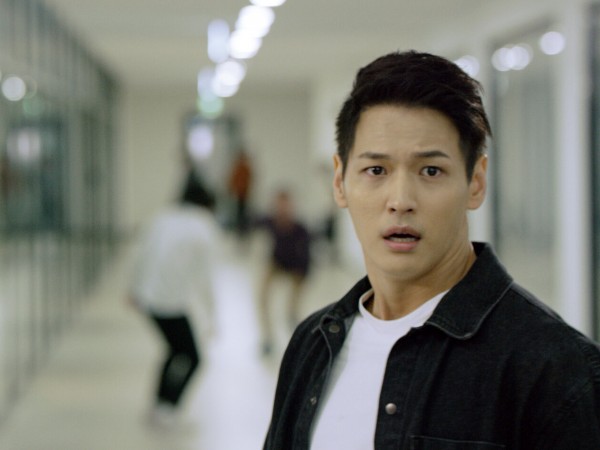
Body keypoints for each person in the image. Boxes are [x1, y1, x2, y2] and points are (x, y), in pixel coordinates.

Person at [263, 50, 600, 449]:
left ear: (475, 182)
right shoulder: (312, 344)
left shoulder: (554, 369)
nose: (400, 200)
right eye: (376, 170)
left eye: (431, 171)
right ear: (340, 182)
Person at [128, 171, 220, 427]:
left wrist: (134, 288)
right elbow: (206, 278)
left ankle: (159, 404)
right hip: (170, 302)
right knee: (193, 357)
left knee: (173, 350)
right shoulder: (204, 225)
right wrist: (212, 316)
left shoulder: (162, 217)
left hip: (150, 299)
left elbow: (141, 253)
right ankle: (168, 406)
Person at [256, 189, 311, 356]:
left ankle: (295, 329)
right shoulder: (270, 222)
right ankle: (268, 337)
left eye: (285, 205)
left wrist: (300, 277)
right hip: (276, 263)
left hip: (296, 267)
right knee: (262, 296)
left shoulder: (300, 229)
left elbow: (306, 258)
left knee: (292, 307)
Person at [228, 149, 253, 240]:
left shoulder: (245, 169)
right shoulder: (238, 168)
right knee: (239, 213)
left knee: (243, 214)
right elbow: (233, 181)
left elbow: (248, 181)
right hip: (239, 195)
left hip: (243, 195)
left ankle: (242, 231)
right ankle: (239, 230)